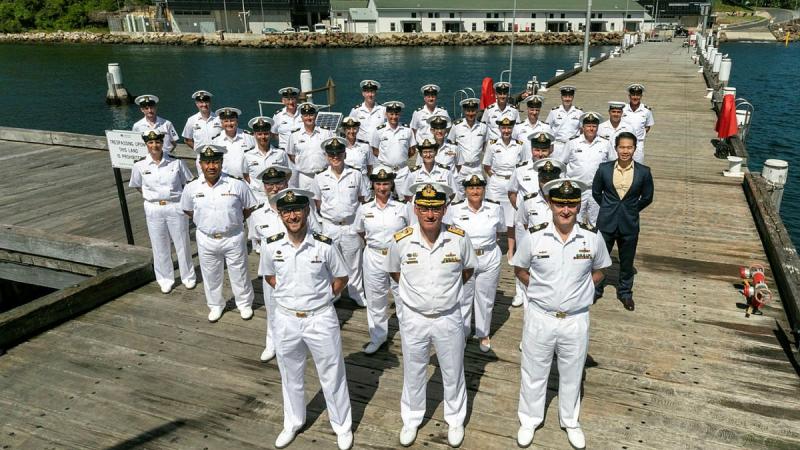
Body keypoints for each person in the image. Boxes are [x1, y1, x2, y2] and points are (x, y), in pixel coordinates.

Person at [512, 178, 611, 450]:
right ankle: (529, 419)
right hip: (540, 316)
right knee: (533, 371)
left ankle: (570, 420)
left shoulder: (592, 237)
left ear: (578, 205)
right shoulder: (534, 236)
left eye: (571, 203)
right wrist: (540, 290)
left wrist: (584, 290)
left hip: (576, 319)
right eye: (559, 203)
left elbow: (601, 268)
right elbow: (520, 268)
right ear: (550, 204)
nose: (565, 210)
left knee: (572, 372)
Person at [260, 189, 353, 450]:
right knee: (290, 373)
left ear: (307, 211)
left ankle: (341, 426)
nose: (293, 216)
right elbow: (269, 275)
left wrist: (321, 297)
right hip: (287, 318)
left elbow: (341, 277)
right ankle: (293, 421)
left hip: (320, 317)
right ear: (280, 215)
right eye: (287, 211)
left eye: (297, 210)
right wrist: (291, 296)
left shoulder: (325, 244)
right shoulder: (271, 244)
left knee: (332, 374)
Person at [386, 182, 475, 448]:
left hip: (448, 316)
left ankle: (455, 419)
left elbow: (467, 270)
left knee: (453, 370)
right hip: (414, 317)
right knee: (413, 370)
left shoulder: (459, 237)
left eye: (436, 208)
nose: (430, 214)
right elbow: (394, 271)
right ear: (415, 209)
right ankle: (412, 418)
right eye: (424, 208)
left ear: (445, 209)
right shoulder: (400, 240)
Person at [250, 165, 321, 362]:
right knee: (273, 307)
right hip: (274, 270)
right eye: (269, 184)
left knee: (306, 301)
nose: (274, 188)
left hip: (302, 264)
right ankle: (272, 342)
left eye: (278, 183)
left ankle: (306, 339)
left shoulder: (301, 207)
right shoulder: (257, 213)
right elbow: (256, 240)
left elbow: (316, 231)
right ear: (264, 186)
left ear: (286, 183)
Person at [180, 145, 258, 323]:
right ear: (200, 164)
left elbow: (249, 207)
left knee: (240, 272)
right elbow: (188, 210)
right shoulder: (192, 187)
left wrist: (234, 221)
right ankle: (216, 305)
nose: (211, 166)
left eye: (215, 161)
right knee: (210, 274)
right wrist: (208, 223)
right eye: (207, 162)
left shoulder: (237, 184)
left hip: (233, 236)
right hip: (206, 238)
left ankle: (244, 303)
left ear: (221, 163)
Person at [592, 131, 654, 311]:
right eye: (622, 147)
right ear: (616, 148)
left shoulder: (644, 172)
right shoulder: (604, 168)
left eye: (629, 147)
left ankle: (625, 293)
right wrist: (607, 208)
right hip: (606, 221)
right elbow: (597, 192)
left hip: (629, 223)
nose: (625, 151)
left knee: (627, 261)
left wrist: (632, 209)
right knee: (599, 259)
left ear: (635, 148)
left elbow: (647, 197)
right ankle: (595, 290)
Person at [353, 165, 410, 354]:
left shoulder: (403, 207)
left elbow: (411, 230)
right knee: (376, 298)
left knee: (402, 296)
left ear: (392, 184)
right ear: (373, 185)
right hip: (374, 255)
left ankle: (408, 334)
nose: (382, 188)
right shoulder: (364, 208)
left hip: (398, 257)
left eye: (386, 183)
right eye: (378, 184)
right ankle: (378, 337)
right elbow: (361, 231)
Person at [129, 130, 196, 294]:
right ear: (146, 144)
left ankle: (188, 276)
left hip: (175, 205)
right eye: (151, 143)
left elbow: (188, 183)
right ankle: (165, 278)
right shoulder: (139, 165)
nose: (154, 146)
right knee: (159, 244)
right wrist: (151, 198)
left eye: (157, 142)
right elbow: (138, 185)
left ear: (162, 143)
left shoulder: (176, 163)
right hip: (153, 208)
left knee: (182, 242)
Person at [449, 174, 504, 352]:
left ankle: (483, 333)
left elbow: (500, 230)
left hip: (489, 257)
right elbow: (448, 232)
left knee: (485, 298)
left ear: (484, 189)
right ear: (465, 190)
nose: (475, 191)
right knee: (463, 297)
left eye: (479, 187)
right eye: (471, 188)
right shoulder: (455, 209)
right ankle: (463, 333)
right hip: (465, 258)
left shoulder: (495, 208)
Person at [312, 137, 368, 306]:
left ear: (345, 154)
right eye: (331, 154)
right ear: (327, 156)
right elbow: (318, 202)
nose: (335, 157)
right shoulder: (320, 177)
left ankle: (356, 293)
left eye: (338, 153)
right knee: (329, 263)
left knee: (354, 263)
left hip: (351, 224)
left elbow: (362, 199)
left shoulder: (356, 174)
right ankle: (334, 293)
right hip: (330, 226)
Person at [507, 132, 556, 307]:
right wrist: (522, 211)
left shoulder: (557, 169)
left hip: (547, 220)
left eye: (544, 150)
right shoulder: (520, 169)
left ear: (550, 150)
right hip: (524, 222)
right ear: (531, 149)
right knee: (522, 257)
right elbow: (512, 192)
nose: (540, 154)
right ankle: (520, 291)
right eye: (537, 150)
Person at [561, 112, 616, 227]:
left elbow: (613, 164)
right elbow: (562, 164)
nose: (591, 129)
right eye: (588, 126)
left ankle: (594, 244)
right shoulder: (572, 143)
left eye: (594, 126)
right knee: (575, 221)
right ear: (583, 127)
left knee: (596, 223)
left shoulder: (605, 143)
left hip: (597, 190)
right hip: (576, 189)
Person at [483, 117, 526, 247]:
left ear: (512, 129)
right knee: (492, 214)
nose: (506, 131)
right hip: (496, 183)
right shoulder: (492, 144)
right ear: (500, 129)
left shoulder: (519, 145)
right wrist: (495, 177)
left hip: (512, 184)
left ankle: (511, 249)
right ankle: (493, 244)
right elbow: (486, 165)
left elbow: (523, 165)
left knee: (512, 217)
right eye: (504, 128)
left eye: (509, 128)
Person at [371, 101, 417, 194]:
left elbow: (412, 150)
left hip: (402, 171)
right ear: (386, 114)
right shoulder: (379, 130)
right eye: (391, 114)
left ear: (400, 114)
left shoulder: (407, 130)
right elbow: (375, 150)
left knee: (405, 198)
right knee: (385, 198)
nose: (394, 117)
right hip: (385, 171)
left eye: (396, 114)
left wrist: (401, 159)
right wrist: (387, 159)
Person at [287, 102, 334, 190]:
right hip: (304, 177)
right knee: (307, 202)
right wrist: (301, 163)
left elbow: (332, 152)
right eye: (305, 115)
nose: (308, 118)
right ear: (301, 118)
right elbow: (291, 154)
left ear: (315, 116)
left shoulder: (326, 133)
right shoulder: (294, 135)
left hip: (323, 175)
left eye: (311, 115)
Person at [245, 116, 289, 205]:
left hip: (277, 195)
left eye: (266, 133)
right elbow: (246, 175)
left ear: (270, 134)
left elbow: (286, 173)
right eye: (259, 134)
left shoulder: (280, 153)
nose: (263, 137)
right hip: (257, 197)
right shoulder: (247, 155)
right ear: (254, 135)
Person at [449, 98, 488, 183]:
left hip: (477, 167)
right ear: (464, 111)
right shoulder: (456, 126)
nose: (470, 113)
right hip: (461, 168)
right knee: (460, 194)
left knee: (477, 193)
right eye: (468, 111)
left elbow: (486, 145)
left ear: (477, 111)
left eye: (473, 111)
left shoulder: (483, 127)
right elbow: (450, 145)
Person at [210, 107, 253, 183]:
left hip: (246, 181)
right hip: (225, 182)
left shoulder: (249, 137)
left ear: (237, 121)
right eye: (226, 121)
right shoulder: (216, 141)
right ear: (222, 123)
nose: (229, 124)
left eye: (232, 120)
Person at [546, 86, 584, 162]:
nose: (567, 99)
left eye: (570, 96)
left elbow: (582, 129)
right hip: (557, 146)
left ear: (573, 97)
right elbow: (547, 128)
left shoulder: (579, 112)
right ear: (561, 97)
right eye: (565, 96)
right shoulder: (554, 112)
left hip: (573, 145)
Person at [622, 83, 654, 163]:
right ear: (629, 96)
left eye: (638, 95)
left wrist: (640, 134)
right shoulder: (623, 109)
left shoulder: (646, 111)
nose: (635, 97)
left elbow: (648, 126)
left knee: (638, 167)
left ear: (641, 96)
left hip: (638, 143)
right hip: (623, 142)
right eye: (633, 95)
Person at [341, 116, 374, 182]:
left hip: (363, 181)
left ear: (358, 129)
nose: (352, 131)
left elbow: (369, 166)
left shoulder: (365, 146)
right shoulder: (340, 146)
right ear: (344, 130)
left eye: (354, 128)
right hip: (346, 181)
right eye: (348, 128)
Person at [272, 87, 302, 151]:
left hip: (301, 150)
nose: (291, 102)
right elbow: (274, 133)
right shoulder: (278, 115)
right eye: (288, 99)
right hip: (285, 152)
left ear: (297, 100)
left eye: (293, 99)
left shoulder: (303, 114)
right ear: (283, 101)